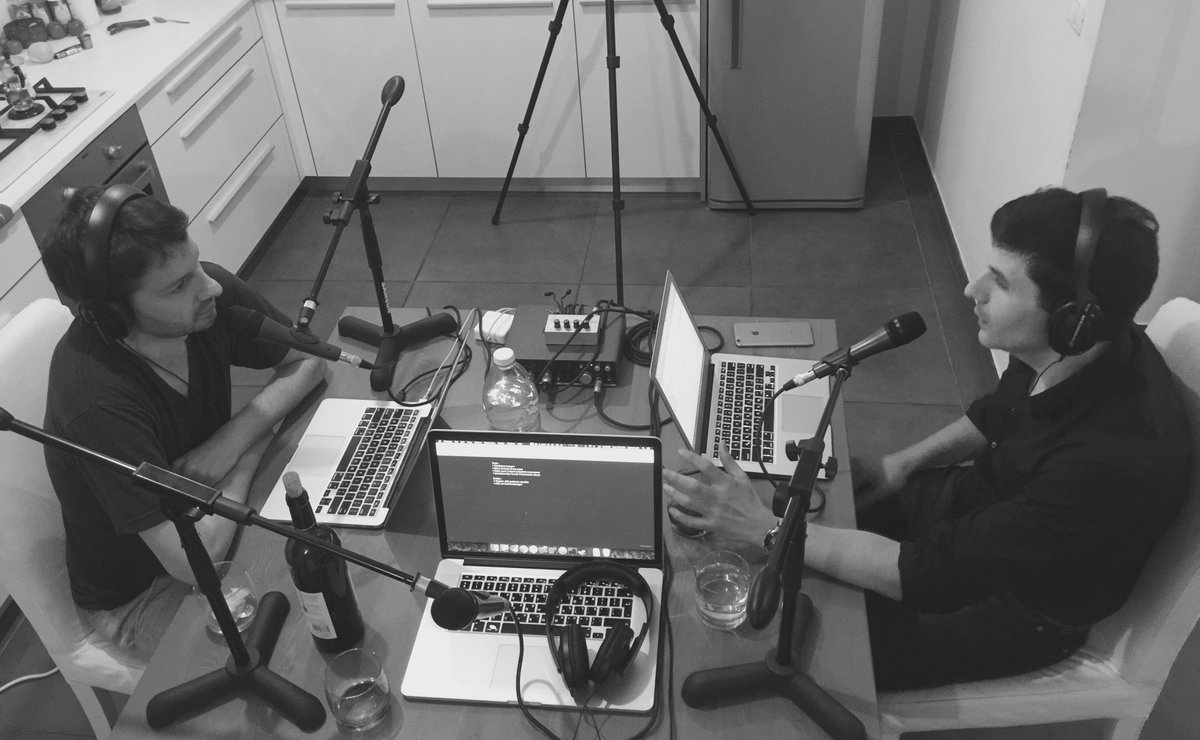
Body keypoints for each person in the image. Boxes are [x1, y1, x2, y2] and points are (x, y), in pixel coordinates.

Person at [663, 187, 1192, 690]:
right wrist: (902, 464)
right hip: (981, 513)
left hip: (1014, 607)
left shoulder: (1108, 464)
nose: (971, 291)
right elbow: (997, 414)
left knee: (780, 637)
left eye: (1000, 283)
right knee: (806, 518)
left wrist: (763, 529)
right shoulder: (1071, 348)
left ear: (1071, 320)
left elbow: (927, 575)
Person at [39, 185, 328, 662]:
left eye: (195, 264)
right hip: (147, 590)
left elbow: (310, 360)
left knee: (331, 573)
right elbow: (197, 564)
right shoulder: (94, 397)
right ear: (113, 315)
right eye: (177, 286)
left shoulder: (205, 297)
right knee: (295, 650)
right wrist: (247, 455)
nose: (211, 287)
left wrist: (233, 437)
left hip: (215, 514)